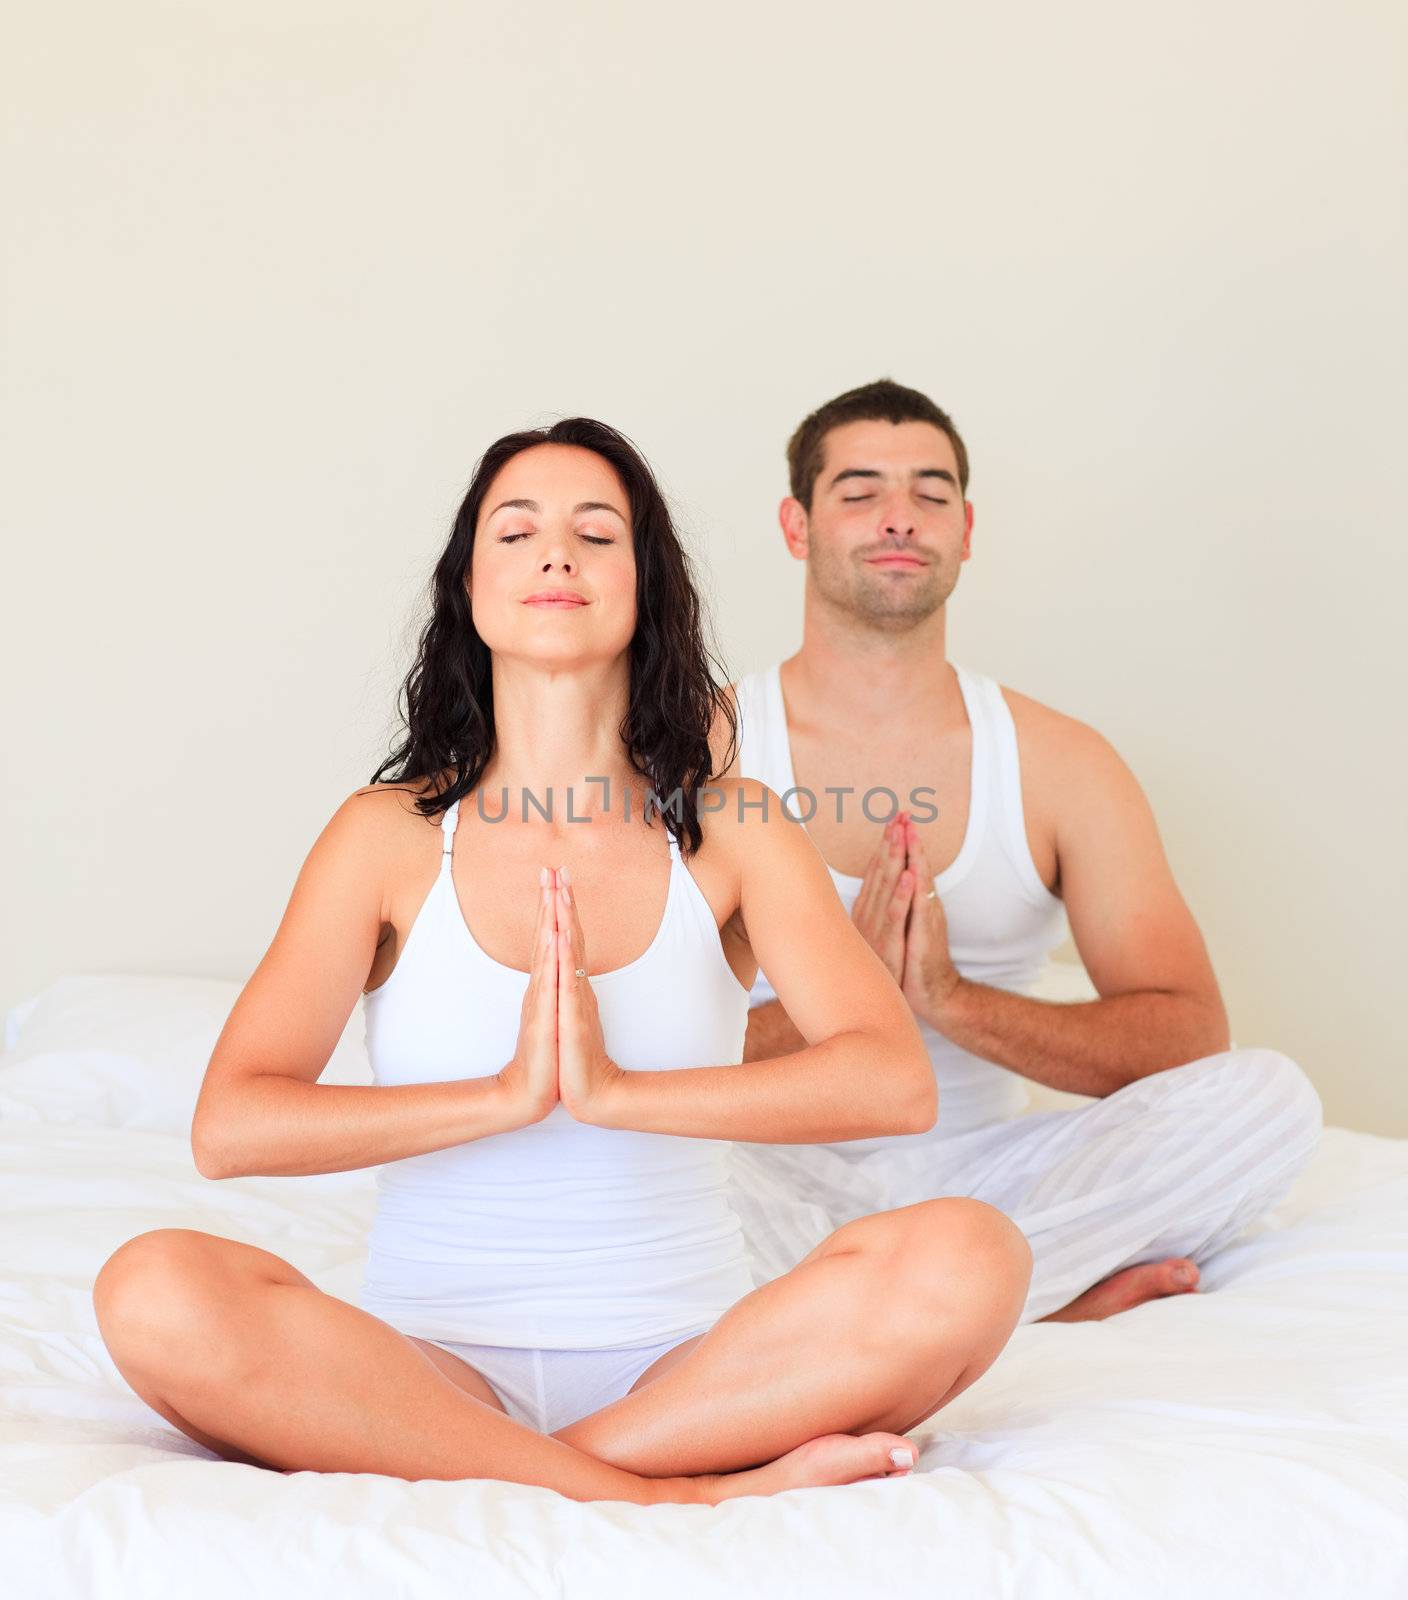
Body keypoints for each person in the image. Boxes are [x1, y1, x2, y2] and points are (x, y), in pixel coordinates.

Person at [90, 416, 1034, 1506]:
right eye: (517, 531)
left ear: (644, 586)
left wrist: (619, 1093)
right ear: (470, 586)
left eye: (596, 533)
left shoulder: (734, 827)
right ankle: (670, 1490)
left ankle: (542, 1468)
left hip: (684, 1366)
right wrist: (504, 1095)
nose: (556, 555)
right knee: (154, 1286)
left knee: (970, 1255)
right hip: (429, 1368)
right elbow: (233, 1125)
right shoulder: (386, 836)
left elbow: (891, 1080)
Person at [715, 378, 1324, 1325]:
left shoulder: (1061, 762)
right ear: (798, 526)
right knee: (599, 1147)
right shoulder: (701, 750)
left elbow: (1187, 1033)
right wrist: (848, 995)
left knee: (1269, 1100)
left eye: (931, 492)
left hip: (987, 1180)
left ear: (966, 528)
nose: (899, 518)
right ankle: (1023, 1300)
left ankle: (908, 1306)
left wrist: (949, 1000)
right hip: (761, 1166)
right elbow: (622, 1047)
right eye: (860, 490)